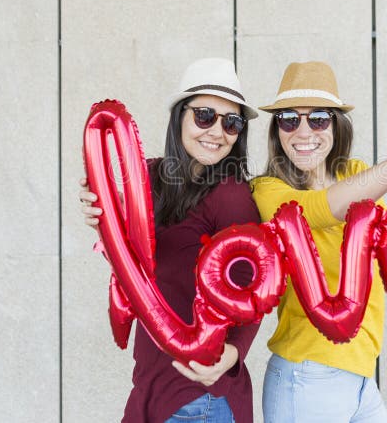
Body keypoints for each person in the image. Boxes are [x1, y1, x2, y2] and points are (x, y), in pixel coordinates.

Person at [251, 61, 387, 423]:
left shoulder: (354, 173)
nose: (303, 131)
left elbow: (371, 262)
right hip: (307, 376)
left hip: (360, 376)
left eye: (318, 118)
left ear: (336, 125)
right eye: (289, 119)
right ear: (277, 130)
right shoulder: (268, 190)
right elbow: (323, 209)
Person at [79, 58, 262, 423]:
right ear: (180, 116)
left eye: (232, 122)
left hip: (201, 398)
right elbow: (141, 268)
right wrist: (102, 221)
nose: (218, 131)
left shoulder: (230, 195)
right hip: (150, 385)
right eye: (205, 115)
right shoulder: (149, 176)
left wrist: (232, 353)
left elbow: (254, 286)